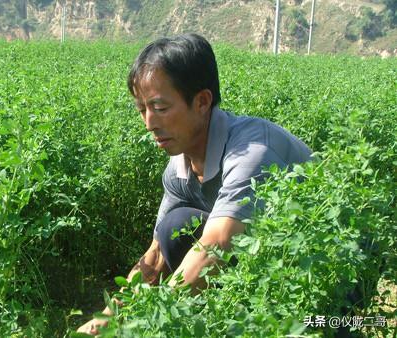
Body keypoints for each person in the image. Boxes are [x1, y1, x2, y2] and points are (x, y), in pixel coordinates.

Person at [78, 33, 312, 335]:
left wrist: (144, 326)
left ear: (202, 101)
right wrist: (104, 322)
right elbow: (156, 255)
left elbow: (217, 245)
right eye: (142, 109)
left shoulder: (252, 150)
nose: (149, 122)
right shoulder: (179, 167)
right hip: (266, 262)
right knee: (174, 227)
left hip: (321, 272)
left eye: (160, 108)